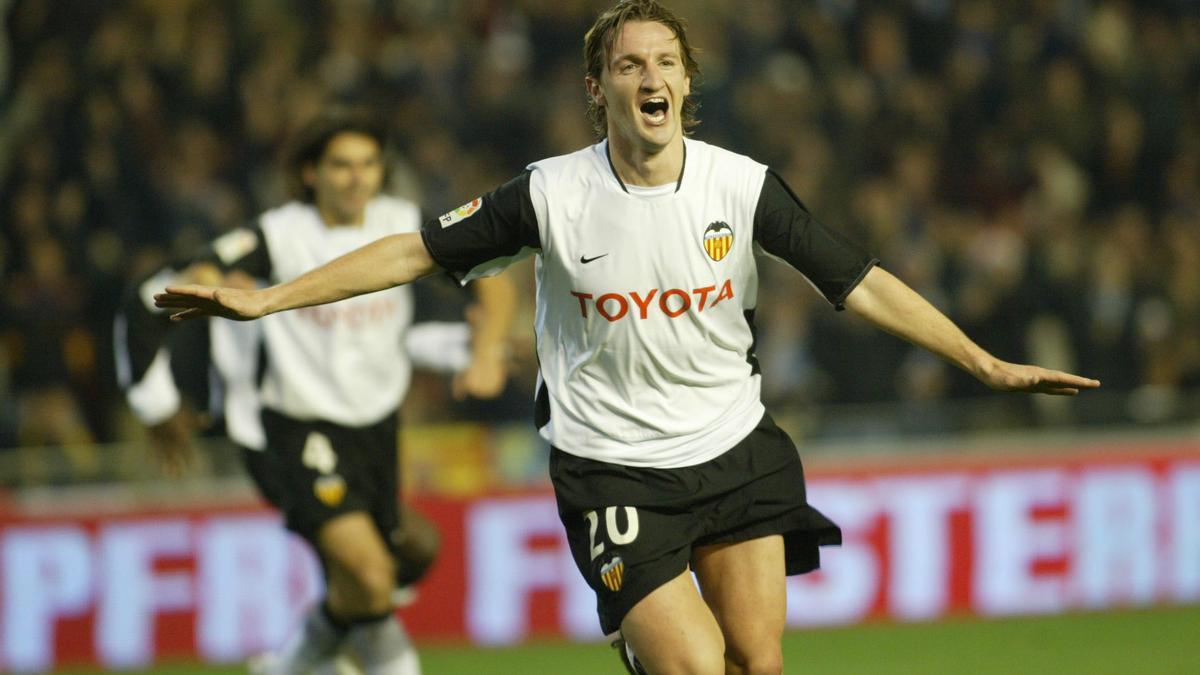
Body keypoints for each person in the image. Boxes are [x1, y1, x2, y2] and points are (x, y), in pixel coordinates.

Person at [154, 3, 1100, 674]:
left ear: (688, 82)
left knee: (758, 660)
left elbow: (859, 280)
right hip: (613, 470)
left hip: (735, 448)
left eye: (665, 63)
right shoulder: (550, 193)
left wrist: (981, 359)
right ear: (598, 88)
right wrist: (269, 300)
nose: (650, 78)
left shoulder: (741, 184)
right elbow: (411, 249)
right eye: (629, 65)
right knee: (694, 667)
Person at [118, 109, 516, 675]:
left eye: (369, 164)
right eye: (340, 165)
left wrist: (483, 352)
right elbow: (149, 297)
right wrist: (154, 402)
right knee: (373, 576)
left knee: (401, 563)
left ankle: (287, 668)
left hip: (376, 429)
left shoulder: (404, 225)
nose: (357, 177)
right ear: (310, 173)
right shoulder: (277, 236)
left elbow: (492, 281)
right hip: (291, 427)